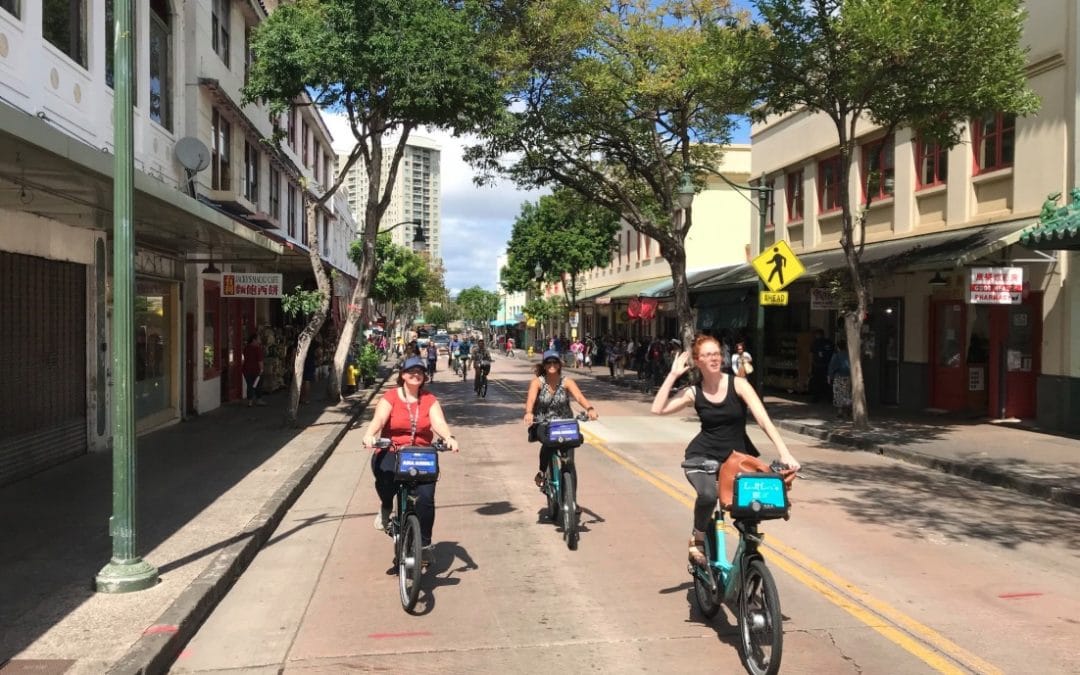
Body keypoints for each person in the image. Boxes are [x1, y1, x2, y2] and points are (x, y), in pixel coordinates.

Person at [650, 334, 799, 565]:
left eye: (717, 353)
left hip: (737, 458)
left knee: (755, 506)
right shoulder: (693, 392)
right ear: (698, 361)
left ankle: (749, 565)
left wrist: (784, 452)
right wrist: (672, 375)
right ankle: (698, 538)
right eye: (708, 354)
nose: (714, 358)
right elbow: (658, 409)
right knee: (708, 496)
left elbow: (763, 419)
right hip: (702, 457)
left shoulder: (738, 384)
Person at [361, 356, 460, 566]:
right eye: (411, 371)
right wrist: (370, 435)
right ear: (403, 375)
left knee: (426, 498)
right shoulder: (390, 397)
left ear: (424, 376)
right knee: (386, 478)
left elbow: (438, 422)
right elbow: (378, 419)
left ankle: (424, 545)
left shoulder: (429, 399)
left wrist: (448, 438)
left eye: (420, 372)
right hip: (393, 450)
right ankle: (387, 507)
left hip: (421, 454)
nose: (416, 375)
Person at [523, 349, 599, 494]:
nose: (552, 365)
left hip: (565, 423)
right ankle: (542, 471)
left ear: (559, 365)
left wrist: (590, 408)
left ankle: (572, 502)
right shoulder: (537, 382)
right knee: (548, 442)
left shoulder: (567, 382)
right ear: (544, 365)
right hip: (543, 423)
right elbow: (531, 399)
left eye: (555, 362)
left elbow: (579, 397)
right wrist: (529, 413)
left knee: (569, 464)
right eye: (549, 362)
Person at [828, 339, 852, 418]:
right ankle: (848, 409)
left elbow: (832, 367)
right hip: (848, 376)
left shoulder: (836, 355)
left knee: (838, 394)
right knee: (847, 393)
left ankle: (840, 411)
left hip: (839, 377)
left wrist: (829, 377)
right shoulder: (849, 355)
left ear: (838, 347)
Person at [242, 333, 266, 407]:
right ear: (254, 340)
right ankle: (259, 400)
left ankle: (250, 401)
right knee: (258, 385)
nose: (260, 340)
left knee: (250, 385)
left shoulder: (246, 348)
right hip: (256, 371)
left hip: (246, 370)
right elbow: (260, 360)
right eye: (258, 339)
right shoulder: (257, 349)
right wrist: (261, 369)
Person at [809, 329, 833, 403]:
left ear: (817, 334)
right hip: (827, 365)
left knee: (817, 382)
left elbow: (811, 354)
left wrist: (810, 366)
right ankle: (829, 398)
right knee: (827, 382)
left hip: (818, 366)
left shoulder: (815, 343)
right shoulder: (829, 342)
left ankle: (816, 398)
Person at [300, 340, 320, 404]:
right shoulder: (314, 342)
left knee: (304, 381)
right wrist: (318, 359)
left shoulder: (302, 339)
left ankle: (303, 398)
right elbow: (319, 352)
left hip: (302, 362)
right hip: (310, 362)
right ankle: (305, 398)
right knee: (307, 381)